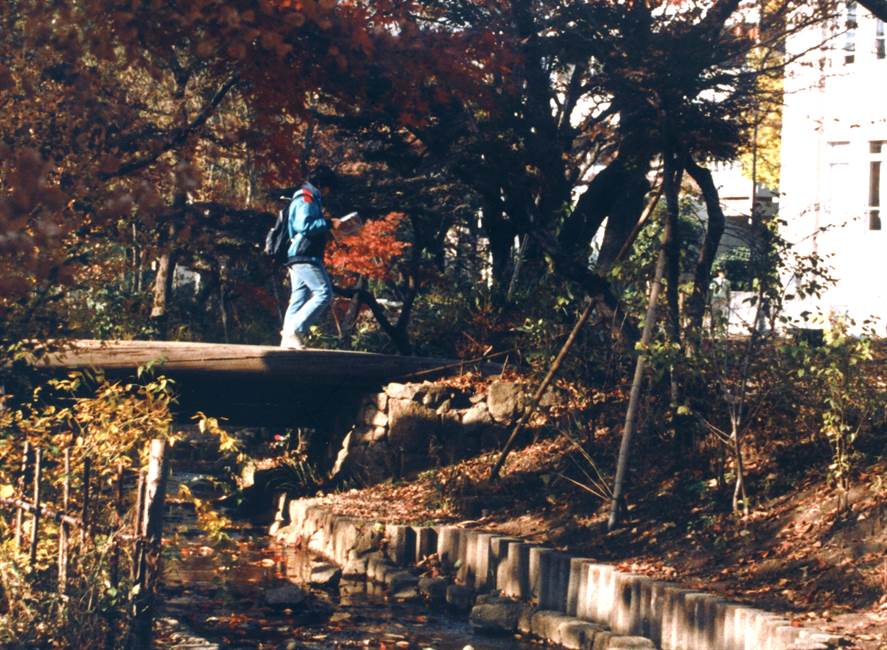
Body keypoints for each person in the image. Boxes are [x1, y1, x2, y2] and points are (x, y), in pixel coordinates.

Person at [279, 165, 341, 350]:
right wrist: (329, 223)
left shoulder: (308, 196)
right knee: (324, 293)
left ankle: (287, 341)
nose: (329, 191)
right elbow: (304, 225)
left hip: (297, 254)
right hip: (305, 254)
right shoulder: (306, 197)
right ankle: (294, 330)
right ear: (321, 184)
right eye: (328, 187)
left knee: (299, 296)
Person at [708, 267, 731, 334]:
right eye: (721, 272)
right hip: (715, 299)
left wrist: (728, 301)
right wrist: (709, 301)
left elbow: (728, 292)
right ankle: (712, 332)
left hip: (723, 300)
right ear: (718, 273)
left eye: (724, 272)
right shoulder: (714, 281)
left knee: (723, 316)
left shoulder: (727, 282)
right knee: (714, 315)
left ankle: (722, 332)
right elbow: (711, 291)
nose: (723, 274)